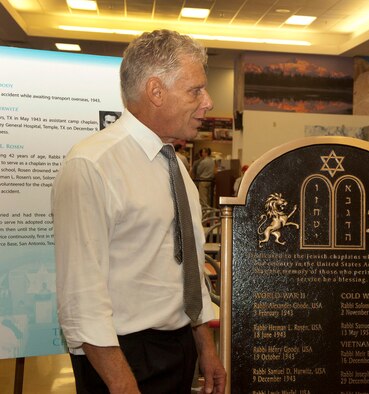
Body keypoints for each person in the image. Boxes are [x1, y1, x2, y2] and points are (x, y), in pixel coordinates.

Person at [52, 30, 226, 394]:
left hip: (177, 350)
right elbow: (81, 297)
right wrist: (122, 383)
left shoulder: (175, 166)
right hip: (121, 359)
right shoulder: (92, 165)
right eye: (196, 90)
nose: (208, 102)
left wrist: (205, 347)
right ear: (155, 91)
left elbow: (187, 269)